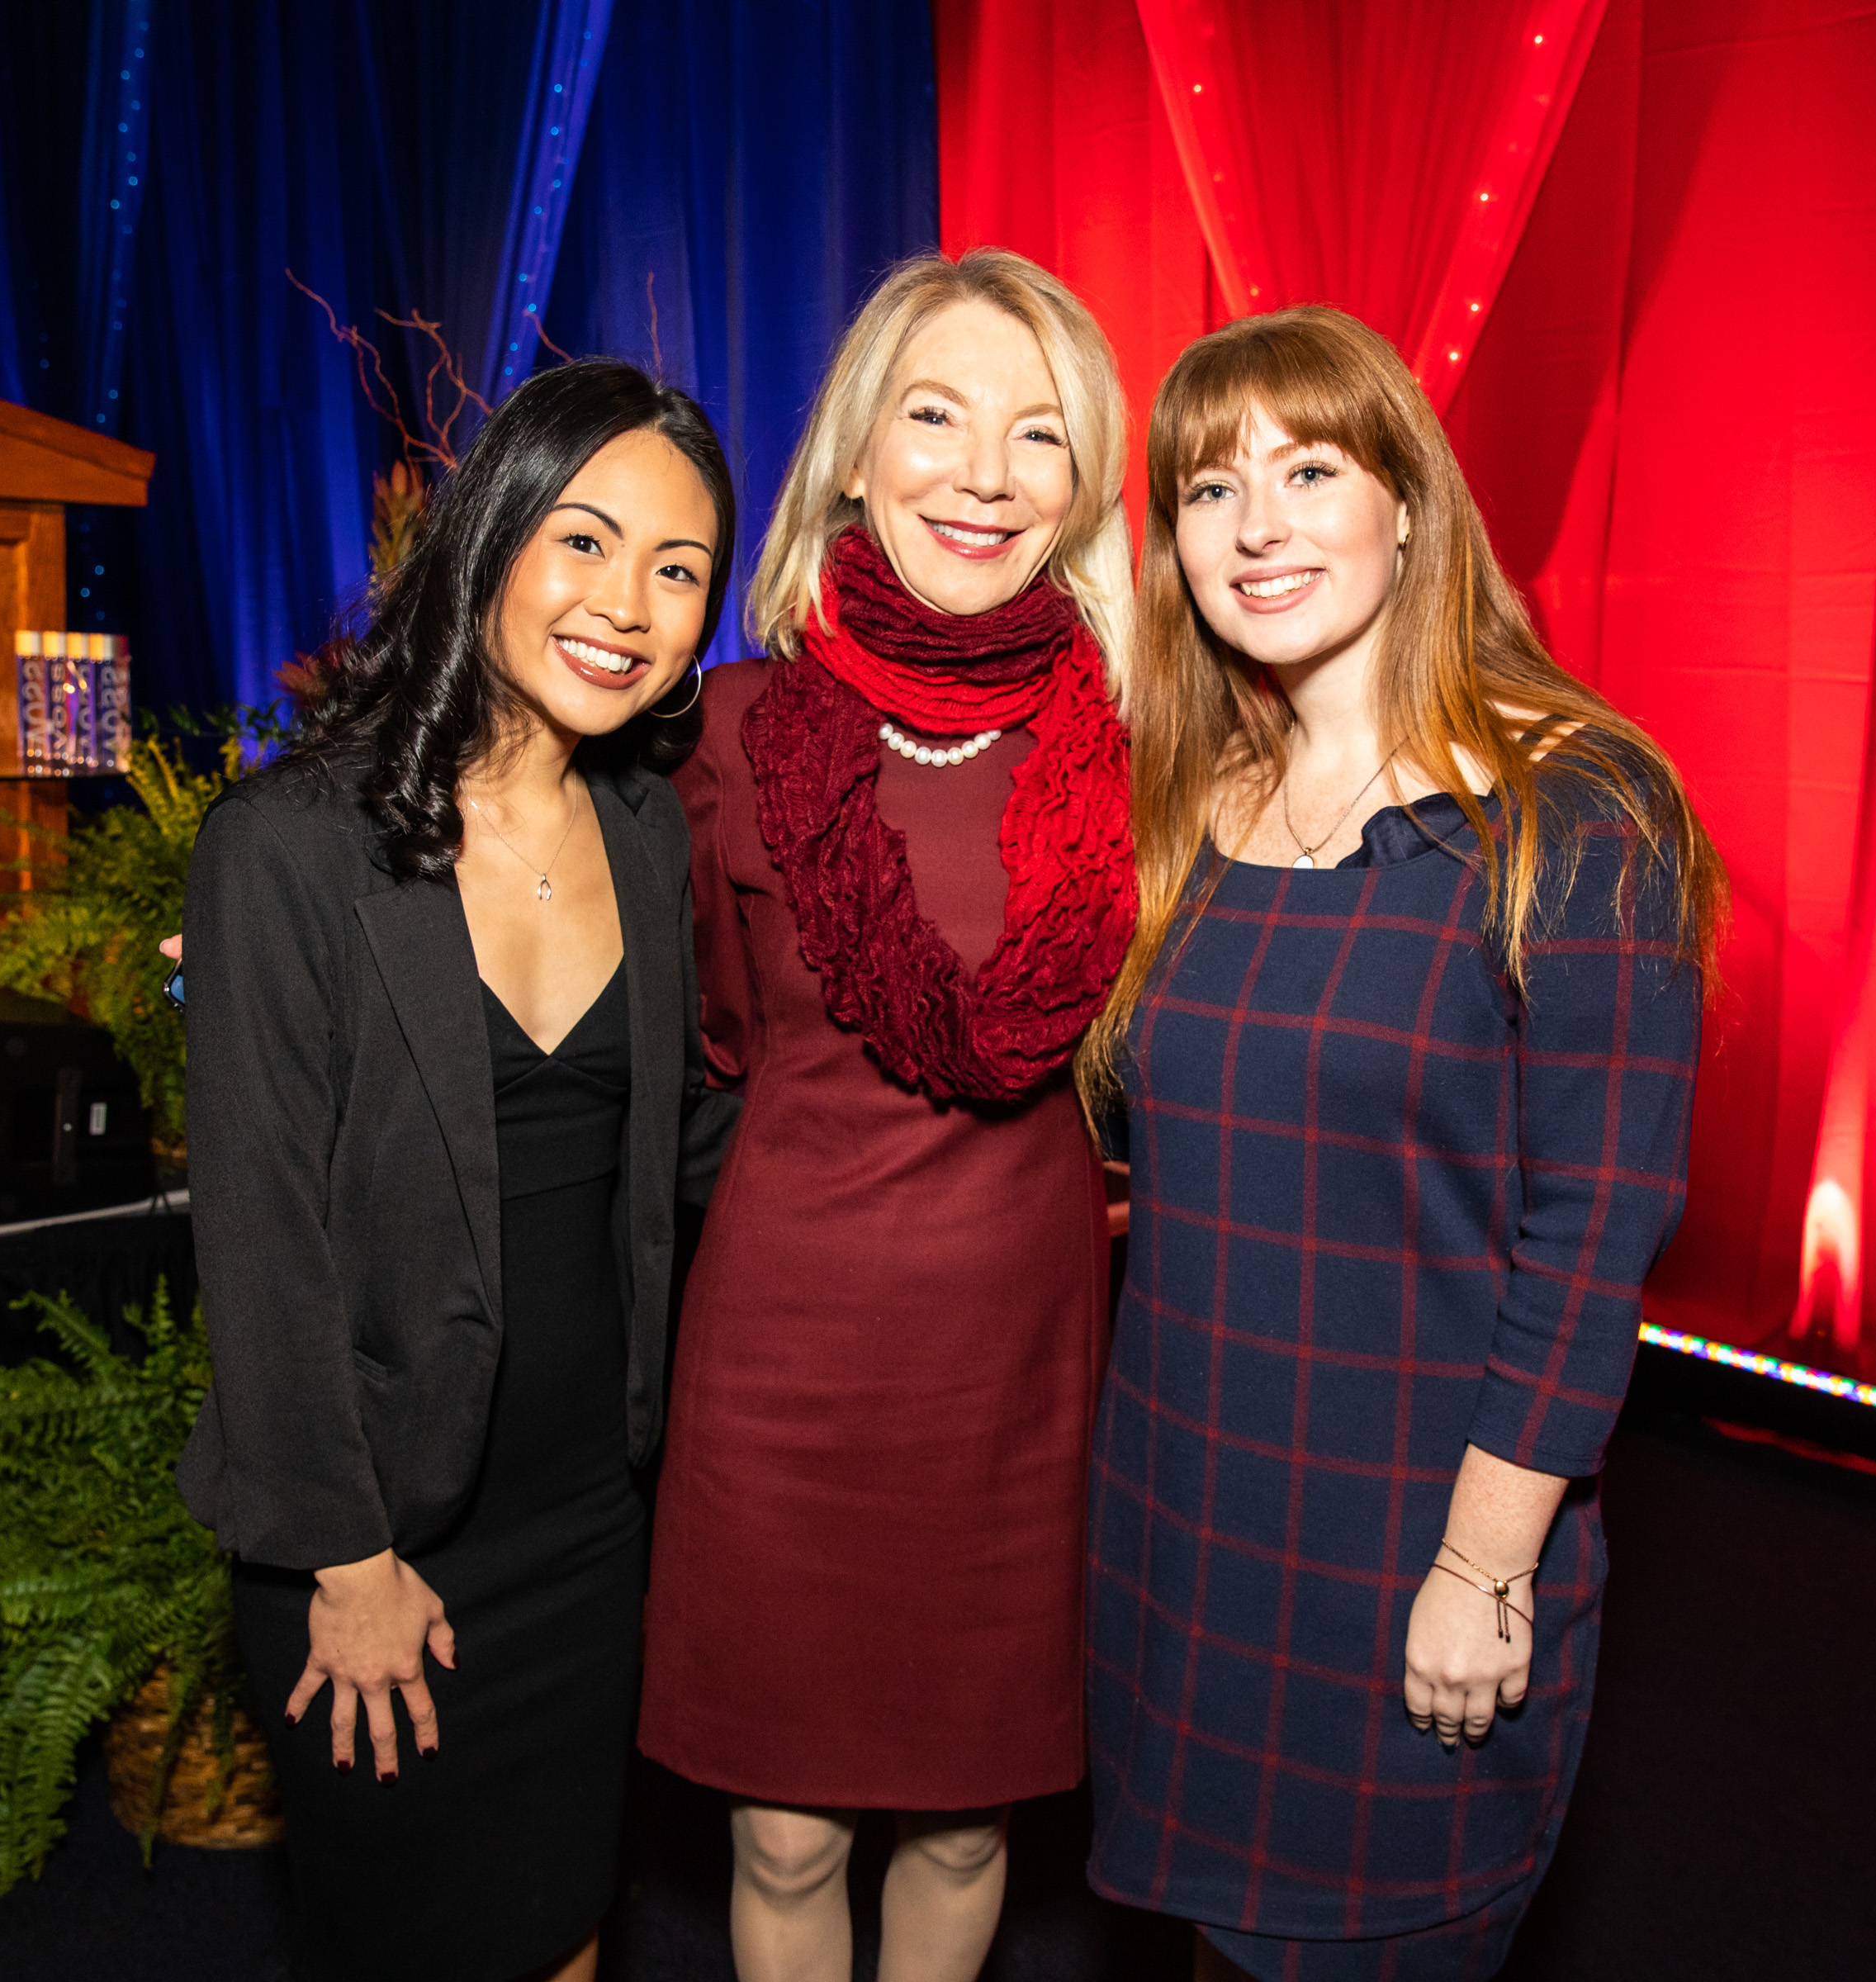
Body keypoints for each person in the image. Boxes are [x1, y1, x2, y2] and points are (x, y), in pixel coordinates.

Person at [1078, 306, 1725, 1980]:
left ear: (1412, 505)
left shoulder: (1573, 819)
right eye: (1211, 493)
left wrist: (1481, 1568)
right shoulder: (1192, 811)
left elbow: (1594, 1238)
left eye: (1309, 470)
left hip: (1414, 1534)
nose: (1261, 527)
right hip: (1191, 1521)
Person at [177, 360, 741, 1982]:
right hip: (383, 1533)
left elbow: (687, 1142)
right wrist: (339, 1559)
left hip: (591, 1526)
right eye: (585, 539)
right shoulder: (286, 846)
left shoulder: (651, 834)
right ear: (493, 536)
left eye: (677, 569)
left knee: (566, 1928)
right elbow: (262, 1238)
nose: (626, 603)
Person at [638, 247, 1139, 1982]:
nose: (983, 475)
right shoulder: (725, 734)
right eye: (935, 416)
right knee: (778, 1831)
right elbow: (701, 1034)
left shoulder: (1139, 747)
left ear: (1084, 488)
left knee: (962, 1814)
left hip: (1015, 1360)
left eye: (1038, 434)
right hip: (785, 1348)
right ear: (856, 448)